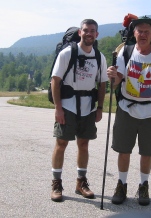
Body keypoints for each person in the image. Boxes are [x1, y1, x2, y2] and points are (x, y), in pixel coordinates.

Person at [107, 16, 151, 206]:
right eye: (139, 31)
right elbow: (116, 82)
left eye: (146, 32)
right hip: (126, 108)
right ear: (134, 33)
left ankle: (144, 186)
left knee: (147, 152)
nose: (143, 35)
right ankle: (121, 184)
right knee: (123, 150)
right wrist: (112, 77)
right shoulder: (125, 52)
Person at [50, 19, 108, 202]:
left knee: (84, 145)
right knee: (61, 144)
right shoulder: (67, 53)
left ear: (97, 34)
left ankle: (81, 182)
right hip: (67, 106)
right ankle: (56, 184)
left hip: (88, 108)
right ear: (80, 33)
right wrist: (58, 108)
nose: (89, 33)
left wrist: (99, 108)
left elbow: (102, 84)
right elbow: (55, 81)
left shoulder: (100, 57)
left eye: (93, 31)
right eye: (86, 30)